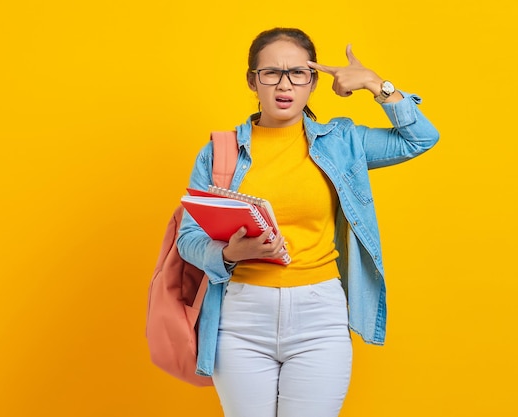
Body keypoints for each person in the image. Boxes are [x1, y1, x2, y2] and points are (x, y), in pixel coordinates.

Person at [177, 27, 439, 417]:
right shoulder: (220, 153)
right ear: (253, 80)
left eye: (298, 73)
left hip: (319, 315)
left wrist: (375, 84)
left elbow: (419, 138)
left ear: (313, 81)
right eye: (271, 73)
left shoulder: (341, 141)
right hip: (241, 319)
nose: (285, 84)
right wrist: (230, 252)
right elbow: (188, 238)